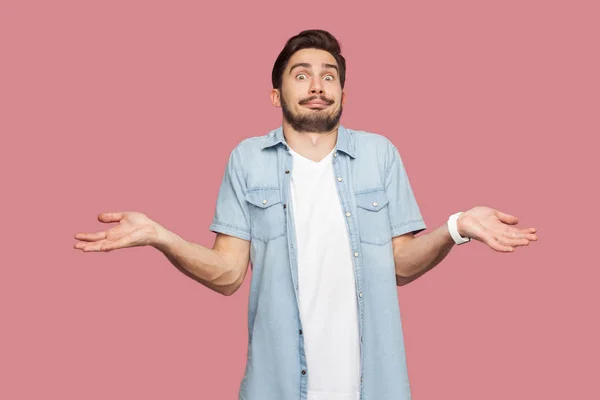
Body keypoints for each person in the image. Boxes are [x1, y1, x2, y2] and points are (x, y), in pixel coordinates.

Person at [74, 29, 538, 400]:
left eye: (328, 75)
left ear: (342, 91)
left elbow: (402, 263)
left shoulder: (380, 154)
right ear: (276, 94)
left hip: (373, 387)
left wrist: (457, 227)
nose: (317, 85)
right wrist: (161, 236)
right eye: (301, 75)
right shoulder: (247, 159)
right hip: (277, 388)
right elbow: (228, 273)